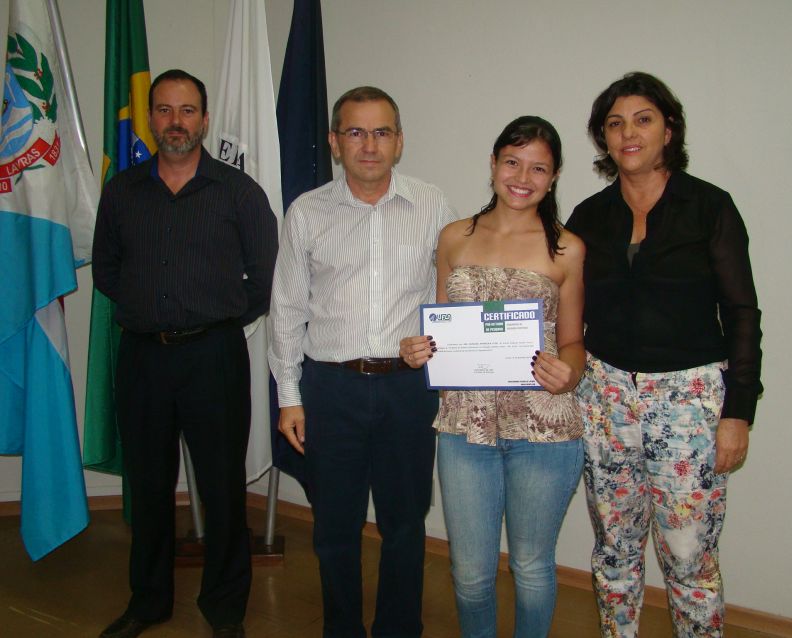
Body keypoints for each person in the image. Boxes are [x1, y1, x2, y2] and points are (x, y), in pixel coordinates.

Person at [565, 72, 763, 637]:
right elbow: (560, 305)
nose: (629, 133)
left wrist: (738, 413)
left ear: (668, 130)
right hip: (605, 398)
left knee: (689, 559)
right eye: (615, 124)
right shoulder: (588, 216)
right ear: (604, 139)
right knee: (614, 551)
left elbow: (742, 313)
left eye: (643, 119)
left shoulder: (709, 207)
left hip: (691, 402)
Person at [92, 69, 278, 638]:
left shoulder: (238, 192)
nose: (176, 121)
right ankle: (147, 603)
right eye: (165, 110)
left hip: (213, 358)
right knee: (148, 486)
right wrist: (151, 309)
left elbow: (264, 278)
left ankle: (225, 609)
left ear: (205, 118)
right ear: (151, 118)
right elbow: (107, 271)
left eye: (188, 110)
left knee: (222, 488)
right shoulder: (122, 191)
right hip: (143, 358)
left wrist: (216, 319)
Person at [267, 86, 455, 638]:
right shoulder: (307, 212)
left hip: (407, 389)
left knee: (405, 524)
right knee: (334, 527)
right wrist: (289, 398)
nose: (369, 145)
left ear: (399, 141)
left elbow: (453, 296)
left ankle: (399, 629)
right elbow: (287, 309)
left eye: (381, 132)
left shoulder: (433, 206)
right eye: (355, 132)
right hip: (331, 389)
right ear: (334, 142)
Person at [400, 116, 586, 638]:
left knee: (531, 567)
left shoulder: (567, 248)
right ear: (493, 164)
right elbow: (442, 327)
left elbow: (573, 341)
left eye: (538, 168)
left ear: (554, 176)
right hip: (465, 428)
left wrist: (569, 372)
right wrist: (420, 349)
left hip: (543, 430)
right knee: (470, 575)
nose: (522, 177)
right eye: (512, 162)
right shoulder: (454, 237)